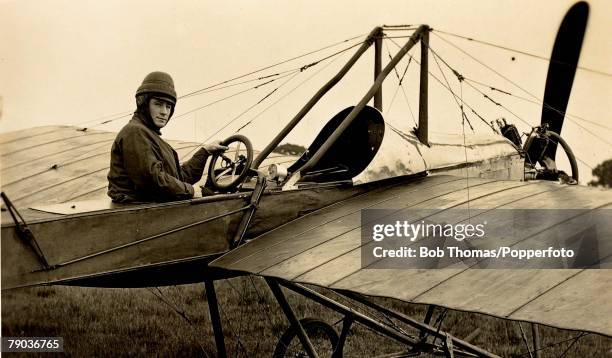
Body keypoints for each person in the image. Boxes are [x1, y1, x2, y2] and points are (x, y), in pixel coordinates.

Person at [107, 71, 226, 203]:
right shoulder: (135, 132)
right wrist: (190, 190)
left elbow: (179, 178)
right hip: (135, 213)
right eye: (158, 104)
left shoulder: (149, 135)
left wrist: (205, 152)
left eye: (168, 106)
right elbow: (152, 179)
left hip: (147, 210)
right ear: (144, 104)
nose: (164, 112)